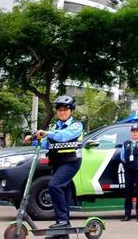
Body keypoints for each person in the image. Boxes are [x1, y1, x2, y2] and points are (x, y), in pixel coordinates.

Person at [24, 95, 84, 229]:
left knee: (54, 185)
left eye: (65, 109)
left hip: (71, 162)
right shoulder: (55, 126)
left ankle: (62, 220)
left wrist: (47, 132)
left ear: (71, 111)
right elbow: (46, 143)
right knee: (63, 190)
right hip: (57, 163)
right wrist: (33, 139)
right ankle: (63, 226)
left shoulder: (76, 125)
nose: (62, 112)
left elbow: (63, 136)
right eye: (60, 110)